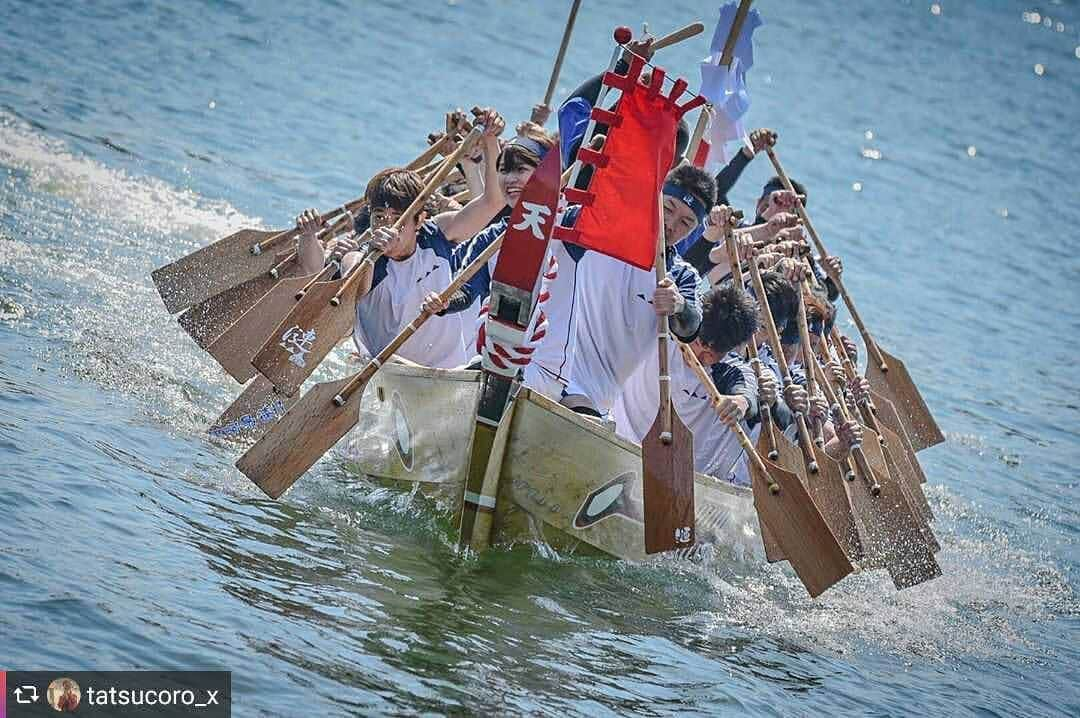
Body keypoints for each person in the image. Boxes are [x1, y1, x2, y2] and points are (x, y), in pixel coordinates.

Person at [293, 109, 507, 368]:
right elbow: (353, 291)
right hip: (387, 373)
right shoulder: (361, 256)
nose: (387, 224)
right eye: (379, 216)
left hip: (450, 370)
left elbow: (493, 202)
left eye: (398, 216)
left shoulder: (436, 234)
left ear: (420, 219)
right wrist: (310, 237)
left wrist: (491, 140)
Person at [561, 163, 714, 417]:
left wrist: (677, 305)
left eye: (686, 223)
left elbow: (690, 327)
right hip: (554, 366)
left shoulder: (680, 276)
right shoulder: (603, 229)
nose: (671, 225)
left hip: (599, 396)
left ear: (693, 231)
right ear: (656, 198)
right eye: (668, 209)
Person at [613, 282, 761, 477]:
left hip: (670, 474)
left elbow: (747, 393)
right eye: (699, 343)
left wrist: (741, 403)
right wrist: (677, 303)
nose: (699, 355)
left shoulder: (731, 369)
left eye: (711, 354)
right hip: (617, 438)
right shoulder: (671, 325)